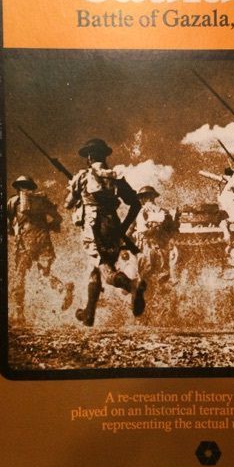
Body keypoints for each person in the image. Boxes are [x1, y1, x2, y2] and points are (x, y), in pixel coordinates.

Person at [65, 138, 144, 326]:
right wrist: (123, 227)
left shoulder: (83, 177)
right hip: (113, 227)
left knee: (106, 270)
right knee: (95, 267)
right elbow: (135, 204)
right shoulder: (115, 177)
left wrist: (77, 194)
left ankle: (132, 285)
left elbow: (67, 203)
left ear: (89, 157)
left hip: (93, 228)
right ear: (104, 156)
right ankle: (89, 313)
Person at [7, 175, 74, 325]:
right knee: (44, 274)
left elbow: (8, 224)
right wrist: (47, 227)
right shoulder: (42, 200)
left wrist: (14, 231)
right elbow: (58, 219)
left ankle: (19, 313)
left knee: (19, 276)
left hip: (25, 242)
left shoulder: (13, 202)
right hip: (43, 239)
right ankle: (62, 289)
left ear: (17, 187)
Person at [133, 185, 177, 297]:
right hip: (160, 247)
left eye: (143, 197)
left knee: (145, 274)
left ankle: (150, 297)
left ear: (144, 198)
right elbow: (173, 230)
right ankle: (159, 297)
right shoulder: (164, 212)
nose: (143, 200)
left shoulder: (139, 213)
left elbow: (134, 230)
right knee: (161, 273)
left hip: (147, 248)